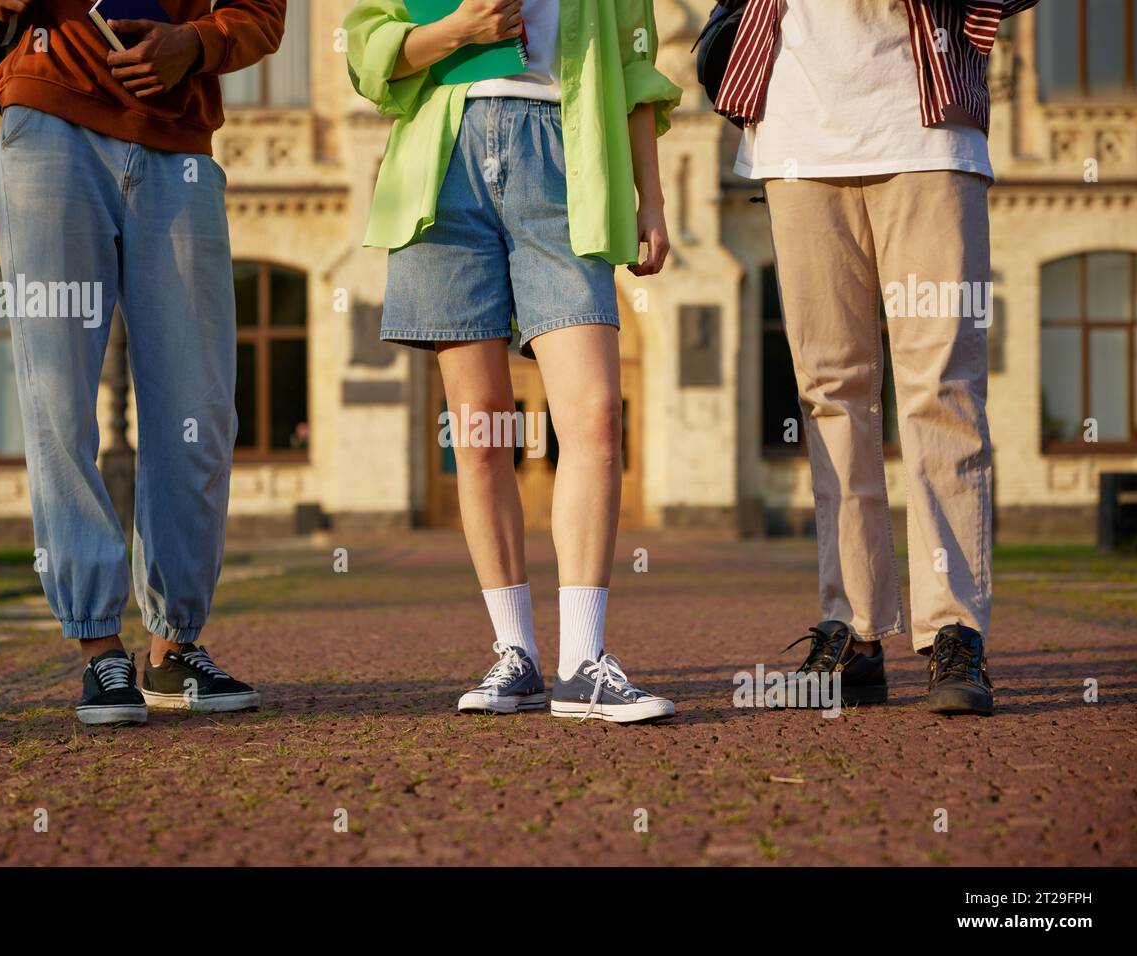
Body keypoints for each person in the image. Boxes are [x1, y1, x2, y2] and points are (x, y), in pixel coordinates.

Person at [0, 0, 288, 724]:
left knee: (201, 407)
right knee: (57, 398)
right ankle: (98, 645)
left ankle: (172, 649)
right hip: (49, 123)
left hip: (178, 144)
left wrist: (194, 43)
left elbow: (262, 12)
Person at [344, 0, 681, 722]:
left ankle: (583, 662)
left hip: (566, 157)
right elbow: (367, 53)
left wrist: (652, 197)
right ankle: (514, 654)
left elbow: (636, 67)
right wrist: (459, 31)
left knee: (593, 416)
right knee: (483, 434)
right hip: (443, 164)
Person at [718, 0, 1040, 714]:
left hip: (926, 130)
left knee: (941, 386)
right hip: (797, 131)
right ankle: (854, 632)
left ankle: (953, 629)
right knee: (830, 393)